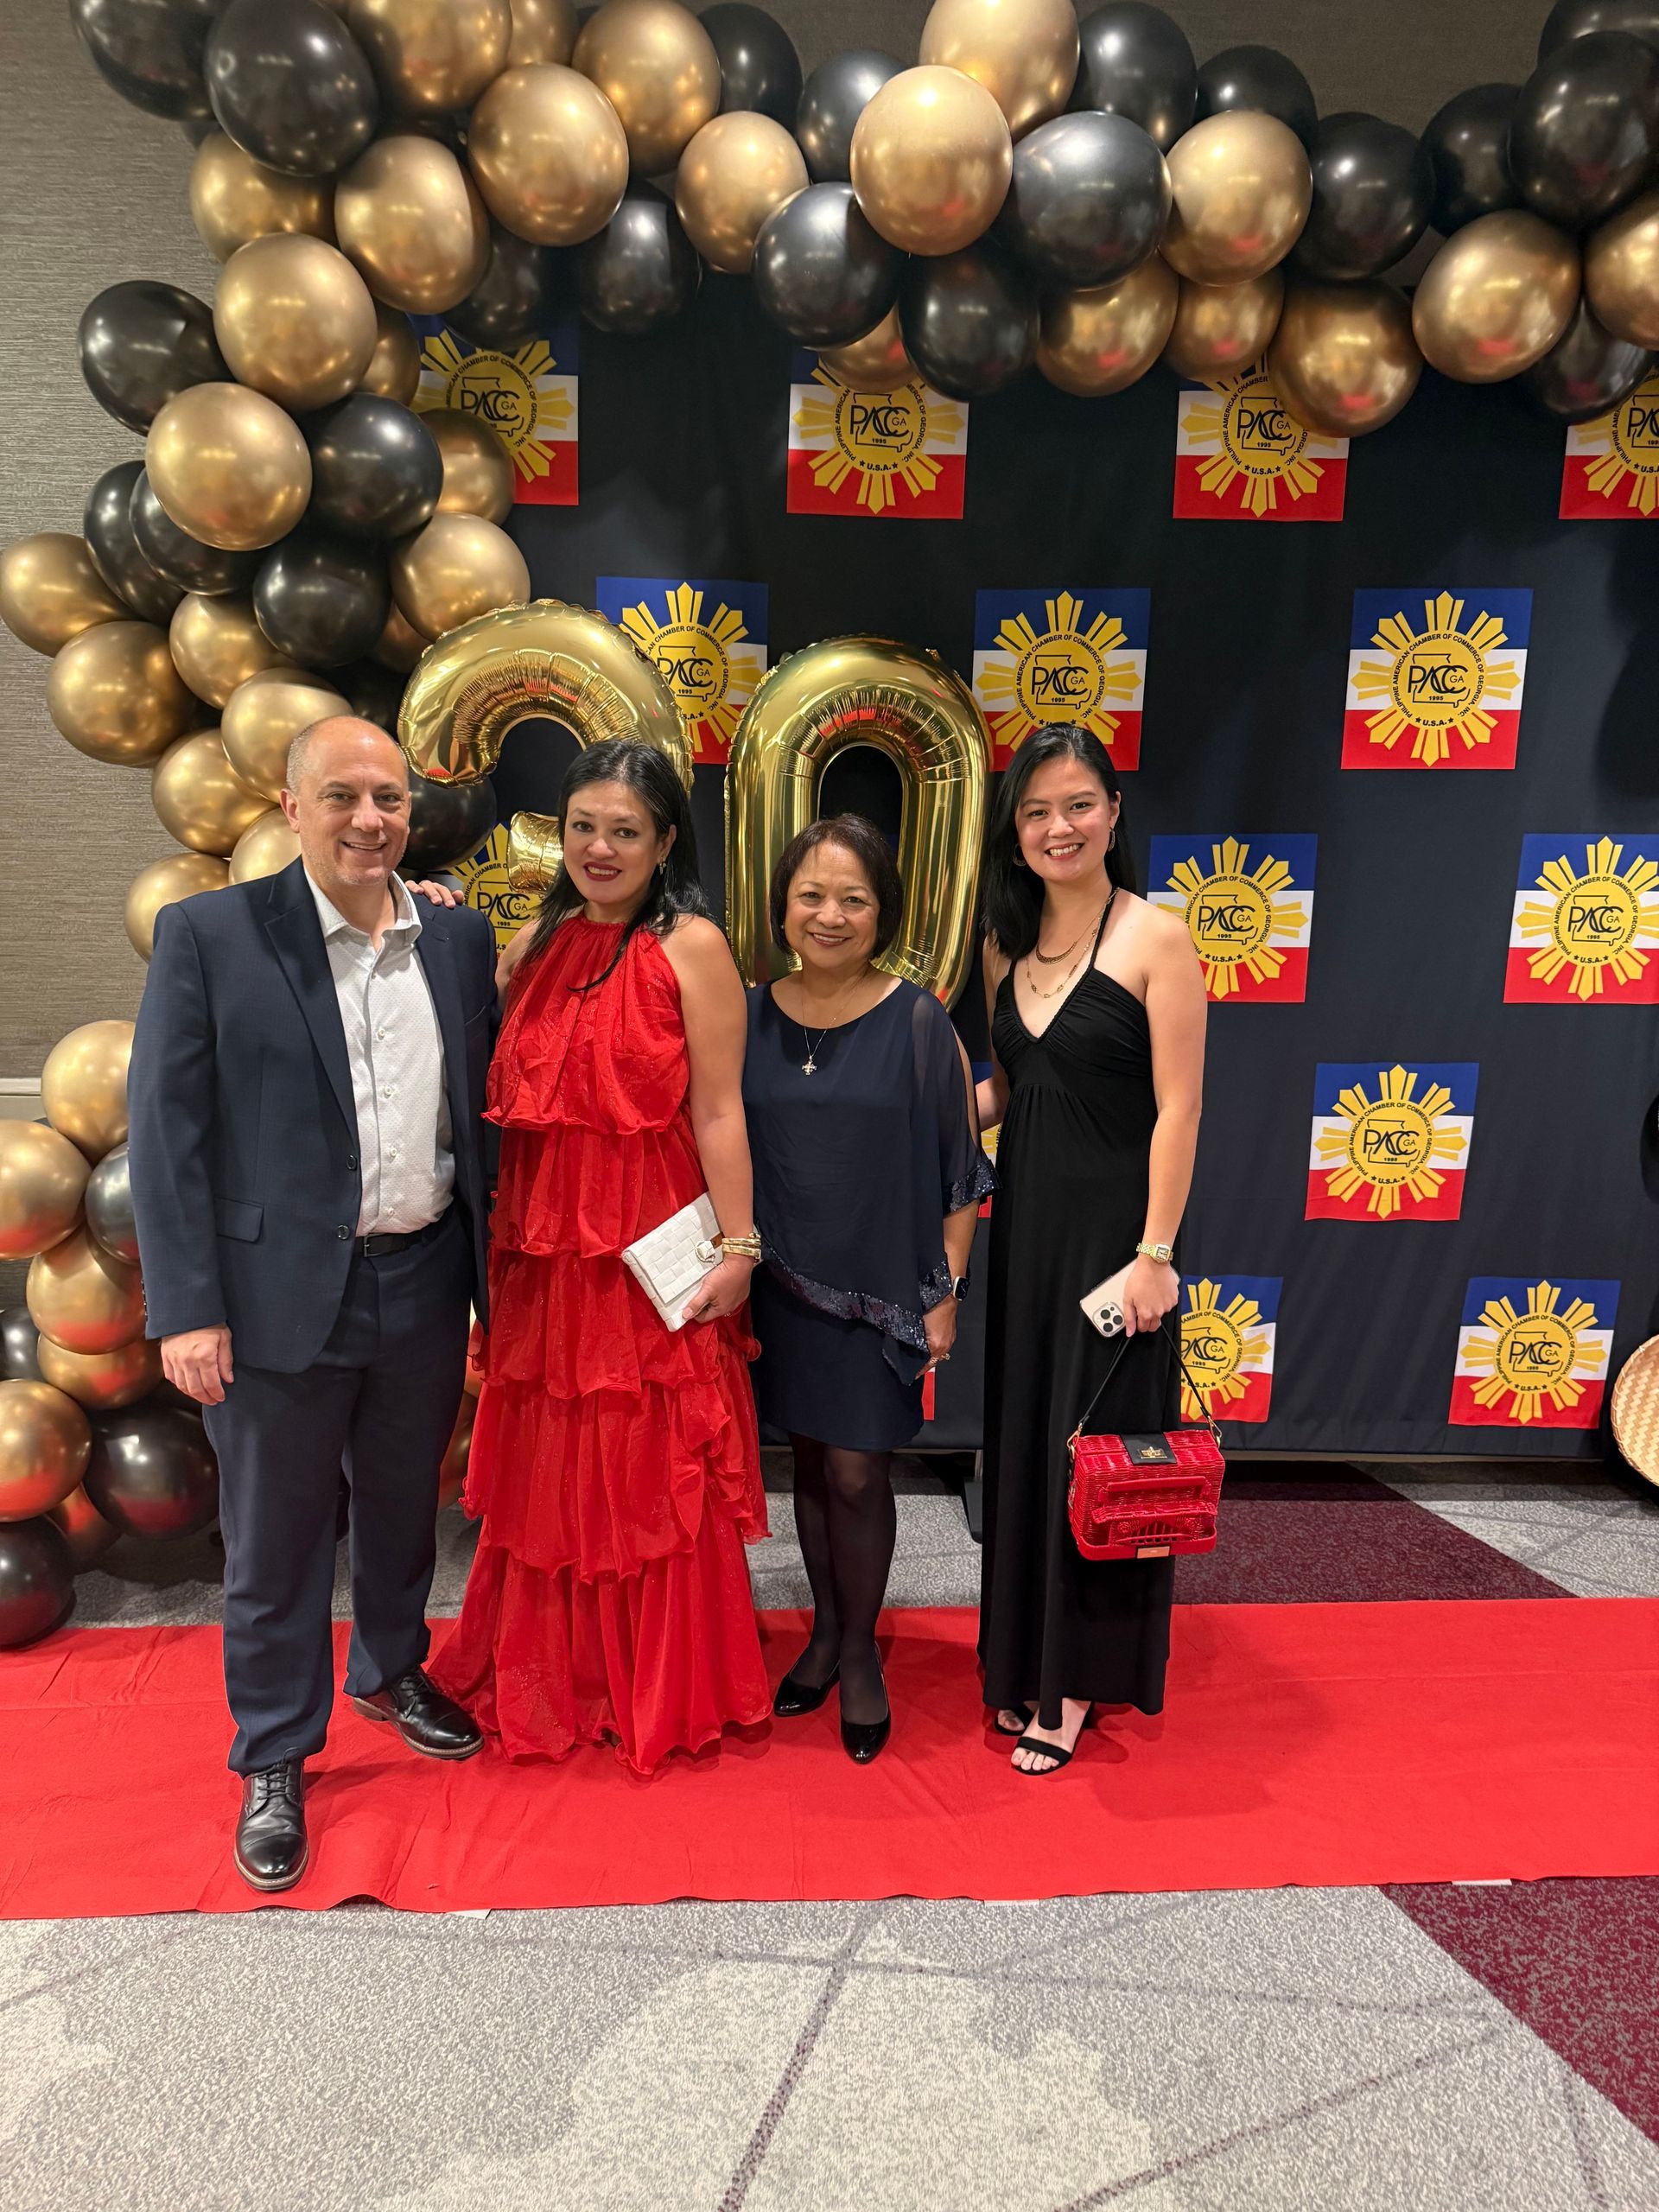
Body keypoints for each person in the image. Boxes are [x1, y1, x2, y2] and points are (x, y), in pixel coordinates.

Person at [128, 717, 498, 1892]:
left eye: (387, 797)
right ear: (292, 809)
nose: (368, 820)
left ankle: (390, 1669)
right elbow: (167, 1136)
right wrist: (186, 1308)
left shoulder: (455, 937)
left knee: (404, 1508)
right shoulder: (211, 938)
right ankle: (276, 1752)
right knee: (278, 1539)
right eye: (340, 797)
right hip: (271, 1293)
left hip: (425, 1278)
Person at [428, 740, 770, 1772]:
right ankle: (558, 1674)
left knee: (645, 1463)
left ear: (667, 841)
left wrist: (741, 1246)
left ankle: (652, 1683)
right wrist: (429, 915)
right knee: (552, 1467)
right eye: (584, 826)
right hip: (543, 1251)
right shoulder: (536, 936)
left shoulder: (693, 946)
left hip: (647, 1252)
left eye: (627, 830)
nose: (601, 847)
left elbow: (718, 1108)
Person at [975, 724, 1207, 1777]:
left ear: (1114, 810)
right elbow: (1012, 1093)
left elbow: (1179, 1109)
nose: (1057, 827)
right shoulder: (1004, 944)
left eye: (1077, 804)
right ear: (1013, 831)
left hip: (1116, 1249)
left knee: (1094, 1456)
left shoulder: (1158, 937)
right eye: (1035, 811)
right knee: (1030, 1448)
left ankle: (1070, 1688)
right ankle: (1023, 1659)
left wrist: (1157, 1251)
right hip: (1024, 1239)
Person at [743, 816, 992, 1763]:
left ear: (882, 912)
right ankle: (818, 1632)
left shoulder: (918, 1019)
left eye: (853, 898)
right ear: (783, 906)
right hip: (779, 1287)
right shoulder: (753, 1010)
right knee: (808, 1467)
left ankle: (858, 1651)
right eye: (811, 895)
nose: (830, 914)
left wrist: (948, 1289)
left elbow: (959, 1168)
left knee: (857, 1470)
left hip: (883, 1289)